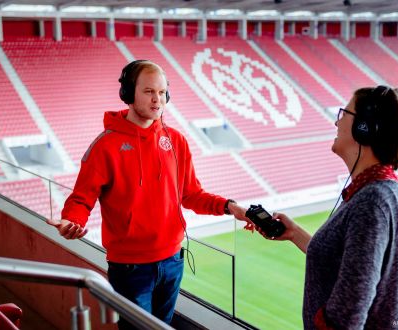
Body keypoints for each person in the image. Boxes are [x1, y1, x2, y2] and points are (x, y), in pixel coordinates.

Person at [47, 60, 250, 327]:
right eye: (149, 92)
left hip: (173, 261)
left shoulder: (176, 140)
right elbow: (81, 198)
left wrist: (230, 206)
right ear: (129, 93)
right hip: (131, 269)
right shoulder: (105, 145)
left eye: (162, 92)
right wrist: (73, 220)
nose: (158, 100)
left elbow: (191, 194)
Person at [257, 86, 398, 329]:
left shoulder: (372, 203)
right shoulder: (390, 192)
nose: (336, 122)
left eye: (344, 114)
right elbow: (350, 263)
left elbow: (348, 315)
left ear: (364, 128)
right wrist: (295, 234)